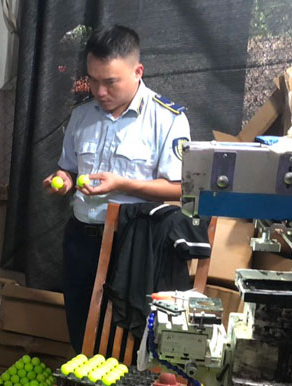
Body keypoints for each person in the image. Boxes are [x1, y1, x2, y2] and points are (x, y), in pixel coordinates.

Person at [44, 25, 191, 348]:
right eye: (93, 80)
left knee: (130, 335)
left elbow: (180, 189)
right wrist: (64, 181)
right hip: (83, 239)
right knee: (81, 327)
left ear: (137, 72)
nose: (99, 91)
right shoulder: (82, 116)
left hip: (136, 243)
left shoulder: (167, 119)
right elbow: (67, 168)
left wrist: (123, 184)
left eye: (110, 82)